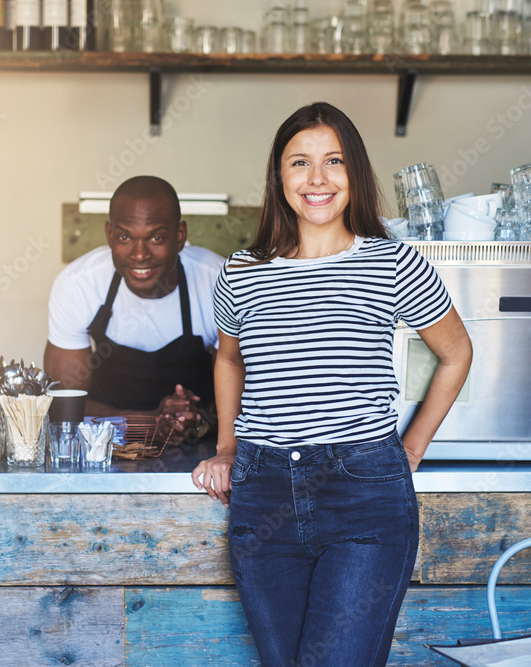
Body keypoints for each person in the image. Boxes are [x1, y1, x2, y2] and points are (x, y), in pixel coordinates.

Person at [191, 103, 472, 666]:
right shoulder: (241, 270)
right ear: (280, 177)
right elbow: (230, 361)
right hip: (263, 490)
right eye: (300, 162)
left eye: (334, 162)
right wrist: (226, 448)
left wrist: (411, 447)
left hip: (363, 496)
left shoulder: (393, 262)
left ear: (355, 175)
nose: (317, 179)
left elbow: (456, 352)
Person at [45, 175, 224, 429]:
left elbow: (246, 396)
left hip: (202, 449)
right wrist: (151, 421)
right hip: (107, 444)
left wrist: (195, 420)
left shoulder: (219, 283)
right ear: (109, 235)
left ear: (180, 236)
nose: (140, 255)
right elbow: (63, 406)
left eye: (156, 238)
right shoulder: (79, 285)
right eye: (125, 238)